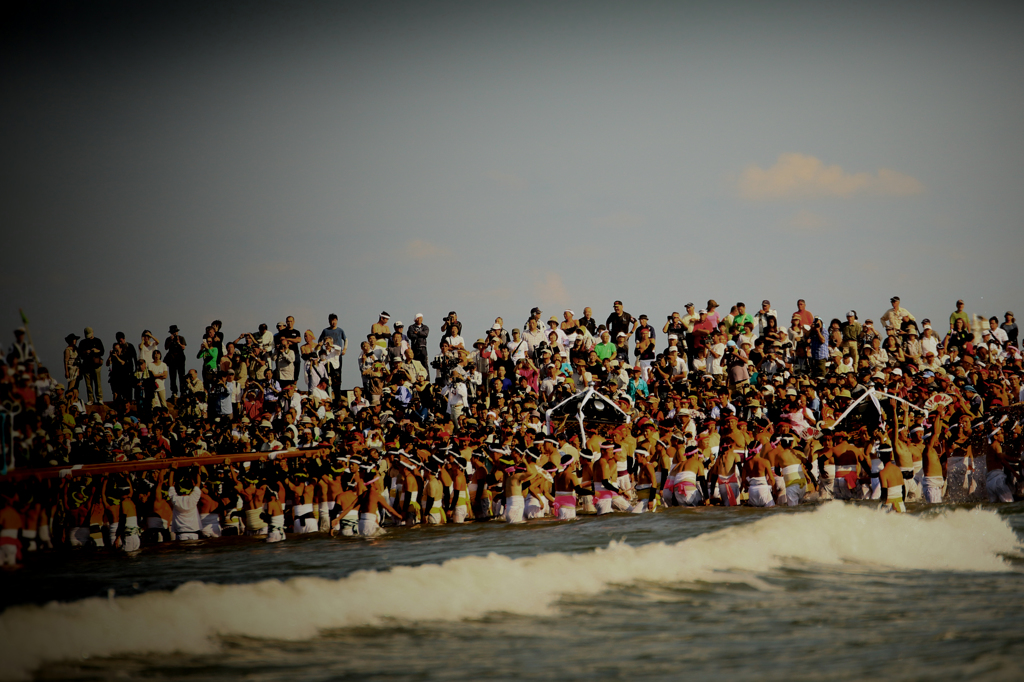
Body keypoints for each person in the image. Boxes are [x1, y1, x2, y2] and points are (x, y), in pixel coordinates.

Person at [318, 314, 348, 398]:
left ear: (337, 320)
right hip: (327, 356)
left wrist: (345, 349)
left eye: (335, 320)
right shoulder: (325, 331)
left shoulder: (340, 330)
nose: (333, 322)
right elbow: (319, 340)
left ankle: (337, 392)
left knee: (337, 373)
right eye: (331, 320)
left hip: (336, 354)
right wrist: (322, 347)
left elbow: (345, 339)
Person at [78, 327, 105, 405]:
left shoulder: (97, 341)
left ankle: (100, 398)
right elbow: (79, 353)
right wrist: (85, 352)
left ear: (93, 332)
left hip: (96, 365)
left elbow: (102, 351)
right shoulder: (82, 342)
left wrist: (97, 350)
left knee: (98, 382)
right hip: (86, 365)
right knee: (88, 384)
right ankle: (91, 399)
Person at [164, 325, 187, 400]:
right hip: (172, 359)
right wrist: (171, 340)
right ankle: (174, 392)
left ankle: (183, 391)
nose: (175, 333)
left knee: (182, 376)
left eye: (176, 332)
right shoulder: (168, 339)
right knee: (172, 377)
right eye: (173, 332)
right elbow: (166, 348)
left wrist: (178, 342)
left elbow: (183, 347)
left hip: (180, 358)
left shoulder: (181, 338)